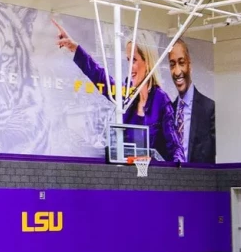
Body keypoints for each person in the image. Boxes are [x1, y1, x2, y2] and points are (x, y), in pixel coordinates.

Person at [52, 17, 174, 161]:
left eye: (133, 60)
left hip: (154, 176)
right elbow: (100, 76)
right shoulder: (126, 95)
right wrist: (75, 49)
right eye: (127, 60)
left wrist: (177, 172)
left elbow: (174, 146)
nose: (129, 67)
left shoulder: (161, 101)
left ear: (147, 62)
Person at [165, 39, 216, 163]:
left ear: (190, 65)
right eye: (172, 64)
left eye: (181, 63)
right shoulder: (168, 111)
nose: (177, 71)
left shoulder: (209, 108)